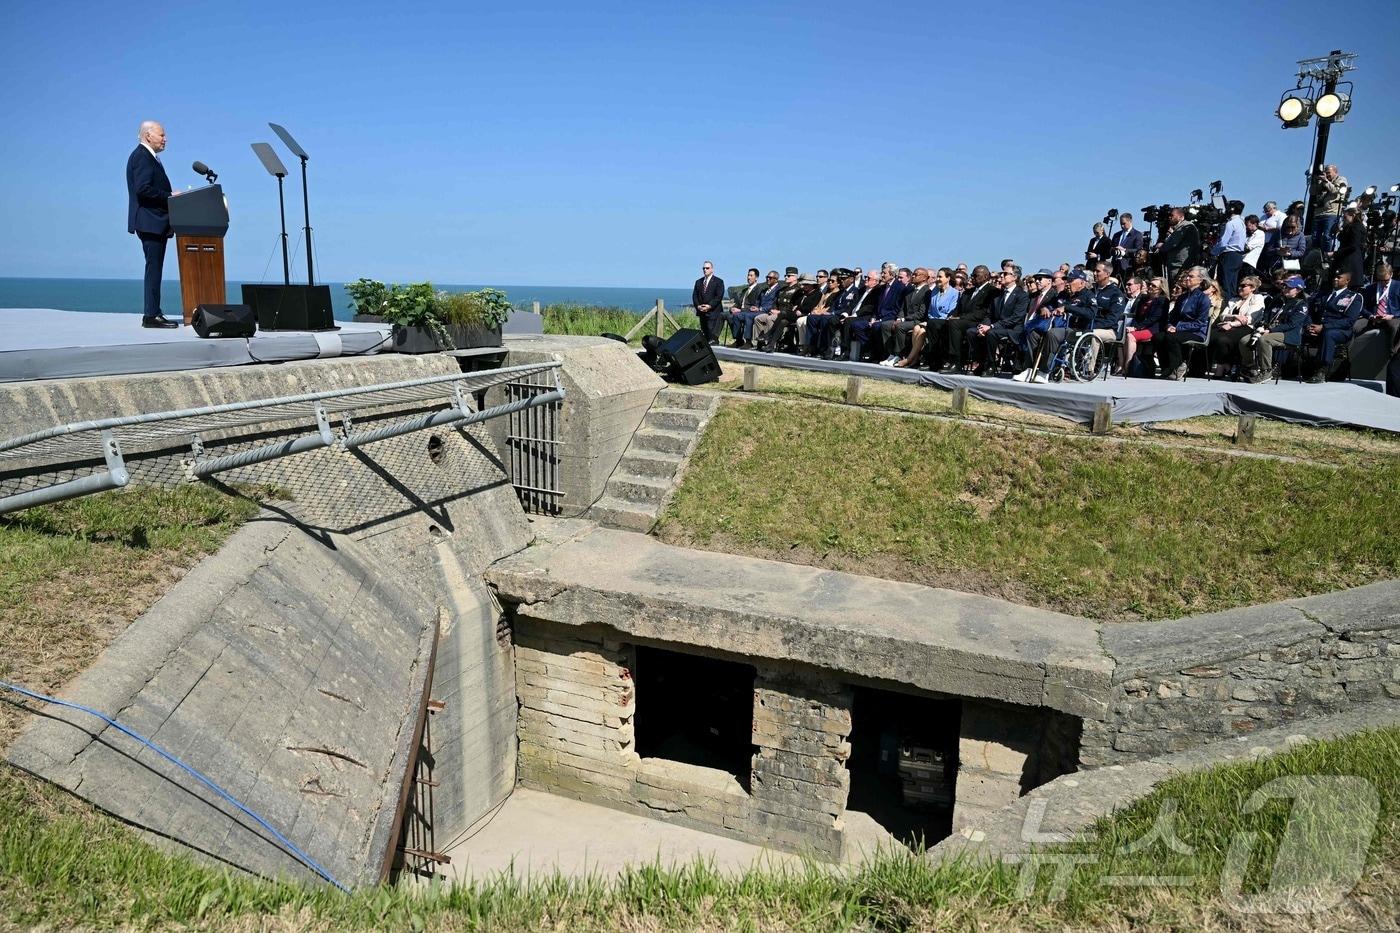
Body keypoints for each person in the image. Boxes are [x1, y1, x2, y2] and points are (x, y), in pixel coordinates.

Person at [126, 120, 179, 328]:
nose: (165, 139)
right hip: (150, 221)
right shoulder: (142, 156)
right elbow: (143, 189)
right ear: (148, 136)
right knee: (153, 268)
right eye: (162, 135)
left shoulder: (150, 158)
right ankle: (151, 315)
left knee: (155, 267)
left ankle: (153, 312)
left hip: (155, 221)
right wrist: (170, 196)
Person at [1242, 276, 1310, 382]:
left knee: (1265, 340)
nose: (1285, 289)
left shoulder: (1301, 305)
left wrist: (1271, 331)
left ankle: (1266, 371)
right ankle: (1251, 368)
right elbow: (1267, 316)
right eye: (1284, 287)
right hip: (1269, 330)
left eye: (1289, 288)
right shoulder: (1278, 300)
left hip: (1289, 335)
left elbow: (1292, 324)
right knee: (1244, 340)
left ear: (1298, 290)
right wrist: (1263, 325)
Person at [1306, 269, 1363, 382]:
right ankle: (1286, 365)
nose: (1335, 279)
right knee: (1299, 331)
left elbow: (1349, 321)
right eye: (1334, 277)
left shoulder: (1354, 297)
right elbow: (1309, 312)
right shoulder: (1323, 294)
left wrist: (1324, 327)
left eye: (1339, 277)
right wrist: (1309, 325)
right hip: (1318, 327)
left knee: (1329, 334)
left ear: (1347, 280)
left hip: (1340, 331)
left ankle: (1322, 369)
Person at [897, 267, 959, 368]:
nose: (937, 279)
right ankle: (915, 360)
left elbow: (950, 312)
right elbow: (930, 310)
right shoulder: (934, 291)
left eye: (940, 277)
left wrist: (932, 321)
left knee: (921, 331)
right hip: (931, 322)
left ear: (948, 278)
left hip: (944, 322)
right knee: (917, 328)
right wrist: (929, 320)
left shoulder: (954, 293)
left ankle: (909, 359)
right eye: (937, 276)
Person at [971, 265, 1027, 375]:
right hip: (996, 326)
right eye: (1002, 273)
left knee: (991, 333)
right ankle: (981, 363)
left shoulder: (1022, 295)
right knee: (972, 332)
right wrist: (984, 326)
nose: (1002, 275)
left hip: (1012, 329)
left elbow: (1016, 318)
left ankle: (991, 365)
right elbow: (989, 315)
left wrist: (991, 326)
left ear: (1014, 277)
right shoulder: (998, 295)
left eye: (1005, 274)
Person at [1160, 266, 1213, 380]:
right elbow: (1173, 316)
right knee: (1158, 337)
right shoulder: (1182, 297)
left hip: (1197, 332)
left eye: (1191, 276)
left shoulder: (1203, 299)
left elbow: (1200, 322)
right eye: (1187, 275)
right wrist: (1169, 325)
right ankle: (1166, 368)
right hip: (1179, 329)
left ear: (1200, 280)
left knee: (1172, 337)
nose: (1187, 278)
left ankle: (1177, 366)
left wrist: (1178, 328)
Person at [1209, 276, 1265, 377]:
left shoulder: (1257, 298)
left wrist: (1231, 323)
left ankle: (1221, 367)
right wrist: (1235, 316)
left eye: (1243, 286)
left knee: (1222, 340)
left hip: (1247, 328)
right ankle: (1223, 365)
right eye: (1239, 285)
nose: (1240, 288)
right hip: (1228, 325)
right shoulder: (1234, 299)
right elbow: (1223, 316)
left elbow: (1249, 319)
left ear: (1252, 288)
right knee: (1210, 336)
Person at [942, 265, 995, 372]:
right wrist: (952, 316)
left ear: (985, 277)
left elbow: (983, 312)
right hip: (964, 320)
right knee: (937, 323)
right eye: (972, 275)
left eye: (976, 275)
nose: (972, 277)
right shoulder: (968, 292)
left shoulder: (991, 291)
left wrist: (959, 317)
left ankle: (956, 362)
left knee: (954, 324)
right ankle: (937, 360)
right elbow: (958, 308)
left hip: (978, 322)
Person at [880, 267, 929, 365]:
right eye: (913, 274)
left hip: (917, 320)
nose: (913, 276)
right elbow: (902, 308)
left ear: (924, 278)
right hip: (906, 319)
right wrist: (899, 318)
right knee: (886, 325)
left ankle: (899, 355)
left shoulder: (927, 292)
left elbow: (921, 313)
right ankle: (891, 354)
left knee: (900, 326)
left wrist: (903, 319)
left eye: (916, 274)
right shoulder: (910, 290)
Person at [1123, 276, 1167, 377]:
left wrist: (1135, 328)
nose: (1150, 286)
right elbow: (1137, 316)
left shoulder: (1163, 300)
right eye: (1150, 284)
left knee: (1131, 336)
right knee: (1125, 333)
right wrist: (1133, 326)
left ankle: (1128, 366)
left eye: (1154, 285)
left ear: (1160, 289)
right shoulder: (1144, 299)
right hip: (1141, 327)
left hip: (1153, 329)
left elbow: (1154, 319)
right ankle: (1121, 365)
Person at [1157, 207, 1201, 287]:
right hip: (1179, 264)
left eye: (1172, 215)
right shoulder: (1182, 227)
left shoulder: (1184, 226)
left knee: (1177, 288)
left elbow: (1173, 243)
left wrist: (1161, 246)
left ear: (1180, 216)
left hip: (1179, 266)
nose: (1169, 217)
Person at [1212, 201, 1247, 299]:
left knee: (1225, 284)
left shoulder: (1231, 223)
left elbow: (1223, 242)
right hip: (1238, 256)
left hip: (1229, 255)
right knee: (1232, 285)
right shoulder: (1241, 223)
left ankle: (1225, 305)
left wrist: (1213, 252)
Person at [753, 267, 796, 348]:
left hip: (785, 314)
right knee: (758, 318)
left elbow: (792, 305)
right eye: (785, 275)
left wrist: (779, 312)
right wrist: (773, 309)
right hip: (776, 312)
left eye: (789, 275)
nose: (786, 277)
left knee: (770, 319)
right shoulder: (783, 289)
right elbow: (776, 301)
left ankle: (769, 342)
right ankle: (760, 342)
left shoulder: (797, 289)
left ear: (795, 277)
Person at [1309, 163, 1348, 251]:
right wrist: (1315, 181)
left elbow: (1335, 191)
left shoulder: (1341, 179)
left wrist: (1326, 181)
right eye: (1325, 173)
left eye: (1328, 173)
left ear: (1335, 172)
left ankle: (1326, 256)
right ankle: (1316, 256)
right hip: (1318, 213)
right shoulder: (1322, 181)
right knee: (1315, 237)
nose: (1327, 175)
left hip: (1331, 213)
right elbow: (1312, 192)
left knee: (1327, 236)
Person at [726, 267, 765, 347]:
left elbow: (755, 305)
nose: (748, 277)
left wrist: (740, 310)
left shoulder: (759, 290)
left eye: (751, 275)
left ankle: (748, 341)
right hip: (741, 311)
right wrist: (733, 308)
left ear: (756, 278)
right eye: (748, 275)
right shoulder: (745, 290)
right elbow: (738, 303)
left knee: (740, 316)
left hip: (749, 312)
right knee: (727, 315)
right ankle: (738, 340)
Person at [1331, 207, 1367, 289]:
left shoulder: (1356, 227)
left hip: (1350, 263)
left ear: (1353, 215)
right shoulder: (1350, 226)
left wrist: (1335, 253)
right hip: (1347, 261)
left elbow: (1353, 246)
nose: (1344, 219)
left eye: (1345, 217)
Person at [692, 261, 725, 344]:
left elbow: (719, 297)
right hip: (702, 312)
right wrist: (698, 306)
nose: (705, 270)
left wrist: (709, 306)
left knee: (712, 337)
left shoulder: (719, 282)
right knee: (705, 335)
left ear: (712, 269)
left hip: (713, 313)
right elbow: (695, 296)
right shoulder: (698, 282)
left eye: (707, 268)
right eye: (703, 268)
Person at [1111, 213, 1144, 283]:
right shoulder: (1116, 235)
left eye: (1124, 223)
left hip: (1127, 267)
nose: (1122, 226)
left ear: (1130, 221)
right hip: (1115, 266)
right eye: (1121, 224)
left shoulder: (1137, 234)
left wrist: (1125, 250)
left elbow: (1138, 250)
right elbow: (1111, 248)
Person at [1241, 215, 1265, 279]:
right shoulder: (1246, 234)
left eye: (1247, 224)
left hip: (1248, 263)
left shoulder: (1260, 234)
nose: (1246, 226)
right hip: (1241, 262)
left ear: (1254, 224)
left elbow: (1247, 248)